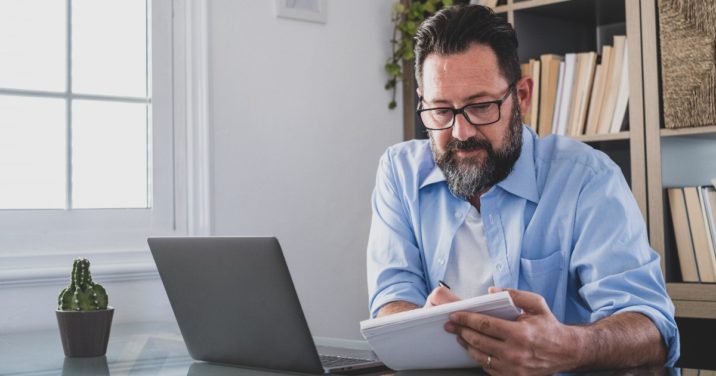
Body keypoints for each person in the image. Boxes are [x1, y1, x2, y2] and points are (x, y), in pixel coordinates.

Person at [366, 4, 679, 374]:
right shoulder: (399, 173)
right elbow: (391, 299)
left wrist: (569, 346)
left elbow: (653, 331)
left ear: (523, 97)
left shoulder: (587, 179)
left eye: (481, 106)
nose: (461, 133)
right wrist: (423, 324)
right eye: (440, 111)